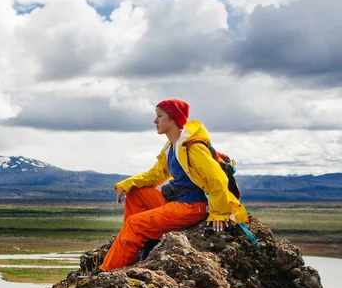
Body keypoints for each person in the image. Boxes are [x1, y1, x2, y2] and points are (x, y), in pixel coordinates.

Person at [99, 99, 248, 272]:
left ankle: (109, 270)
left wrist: (220, 213)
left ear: (173, 120)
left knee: (134, 224)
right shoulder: (171, 146)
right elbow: (156, 175)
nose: (155, 121)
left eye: (159, 116)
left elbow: (217, 178)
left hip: (192, 206)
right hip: (176, 200)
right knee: (136, 193)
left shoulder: (193, 148)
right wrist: (127, 184)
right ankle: (141, 243)